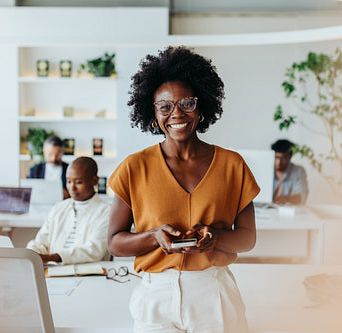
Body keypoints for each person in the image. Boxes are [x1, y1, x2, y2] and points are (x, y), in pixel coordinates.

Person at [107, 46, 259, 333]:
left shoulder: (232, 165)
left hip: (213, 293)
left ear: (201, 107)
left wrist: (215, 238)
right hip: (155, 297)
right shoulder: (134, 167)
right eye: (165, 106)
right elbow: (114, 242)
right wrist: (153, 237)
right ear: (152, 113)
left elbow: (248, 239)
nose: (176, 113)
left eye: (187, 103)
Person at [27, 156, 111, 264]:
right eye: (69, 181)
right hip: (53, 272)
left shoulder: (106, 211)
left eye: (78, 182)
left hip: (88, 274)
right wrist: (31, 254)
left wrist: (53, 258)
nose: (72, 188)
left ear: (94, 181)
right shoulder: (58, 208)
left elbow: (94, 250)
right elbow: (41, 241)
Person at [271, 139, 309, 205]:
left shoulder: (298, 172)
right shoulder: (266, 170)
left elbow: (301, 195)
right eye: (276, 157)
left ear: (290, 156)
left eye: (283, 158)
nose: (278, 162)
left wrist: (286, 199)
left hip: (289, 211)